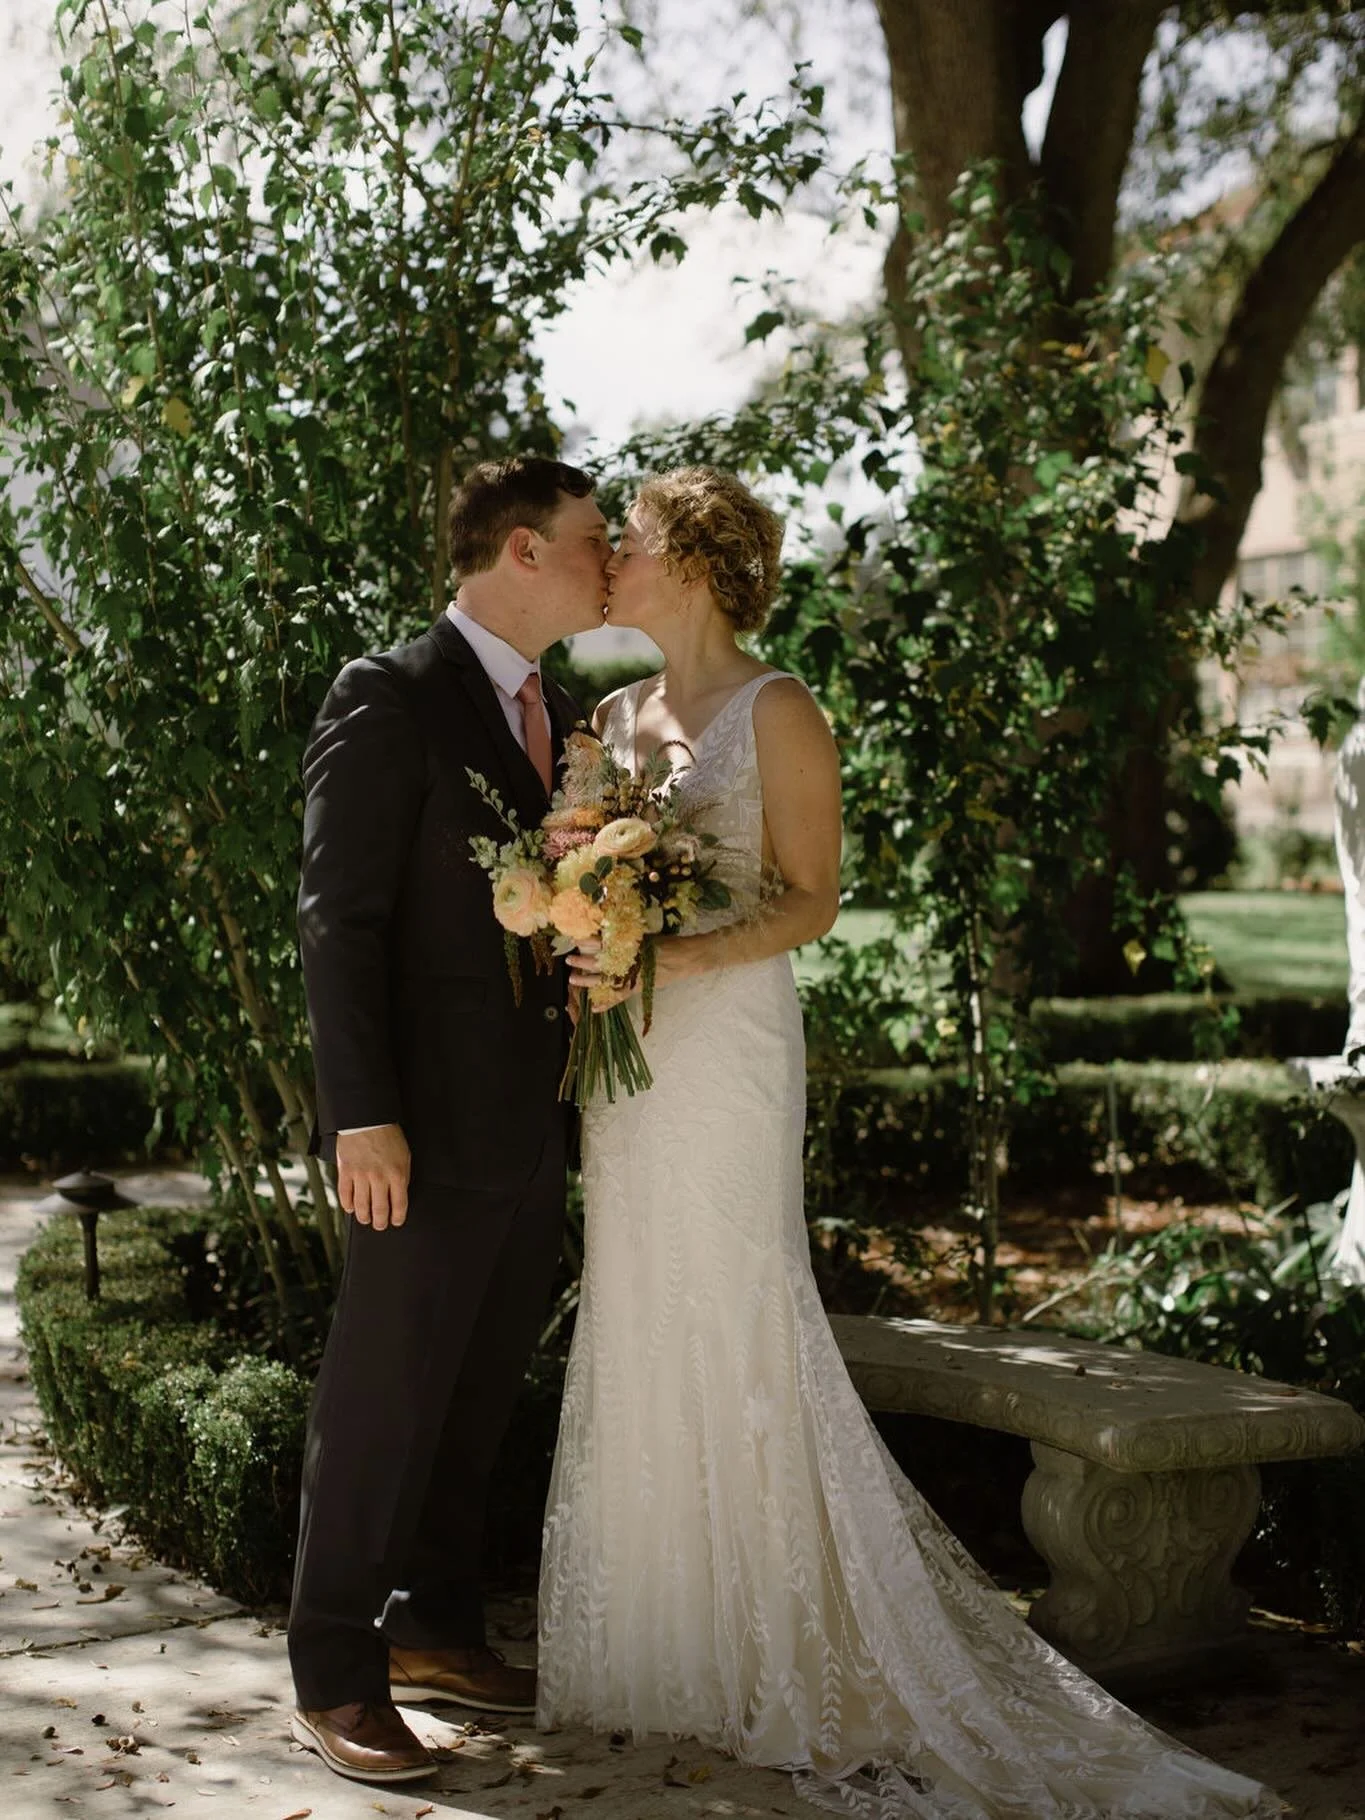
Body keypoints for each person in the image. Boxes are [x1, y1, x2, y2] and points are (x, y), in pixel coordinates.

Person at [538, 466, 1283, 1819]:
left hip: (728, 1051)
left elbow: (813, 902)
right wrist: (585, 927)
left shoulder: (780, 710)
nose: (610, 559)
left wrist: (673, 951)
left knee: (735, 1304)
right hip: (629, 1063)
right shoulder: (610, 717)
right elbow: (579, 870)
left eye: (629, 540)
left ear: (691, 563)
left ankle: (786, 1647)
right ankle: (673, 1650)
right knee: (640, 1307)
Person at [289, 456, 609, 1784]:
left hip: (535, 1123)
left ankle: (433, 1627)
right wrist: (360, 1116)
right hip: (414, 1131)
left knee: (475, 1394)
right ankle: (334, 1673)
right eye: (593, 537)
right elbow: (337, 919)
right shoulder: (390, 693)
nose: (610, 557)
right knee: (383, 1398)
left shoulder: (567, 715)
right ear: (522, 549)